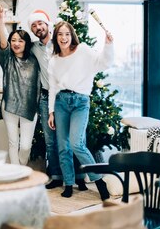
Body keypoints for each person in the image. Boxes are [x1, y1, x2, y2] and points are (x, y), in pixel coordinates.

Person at [47, 21, 113, 200]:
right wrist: (51, 112)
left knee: (77, 143)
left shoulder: (83, 51)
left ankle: (99, 182)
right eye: (60, 34)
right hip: (61, 103)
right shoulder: (53, 61)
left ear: (72, 35)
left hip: (81, 102)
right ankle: (68, 183)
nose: (64, 37)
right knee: (63, 147)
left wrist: (108, 44)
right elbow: (52, 88)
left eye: (67, 34)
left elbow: (105, 63)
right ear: (56, 37)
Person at [28, 10, 88, 190]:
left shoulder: (63, 43)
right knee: (51, 140)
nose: (38, 27)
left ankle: (79, 176)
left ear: (47, 25)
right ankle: (55, 175)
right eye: (34, 25)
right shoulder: (33, 48)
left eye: (40, 23)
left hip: (70, 97)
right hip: (47, 97)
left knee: (75, 139)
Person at [0, 5, 40, 165]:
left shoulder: (35, 59)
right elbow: (3, 42)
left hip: (30, 106)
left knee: (26, 146)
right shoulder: (7, 59)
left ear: (26, 43)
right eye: (13, 40)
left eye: (20, 40)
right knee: (13, 143)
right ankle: (17, 174)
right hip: (10, 106)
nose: (16, 43)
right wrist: (1, 21)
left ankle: (21, 167)